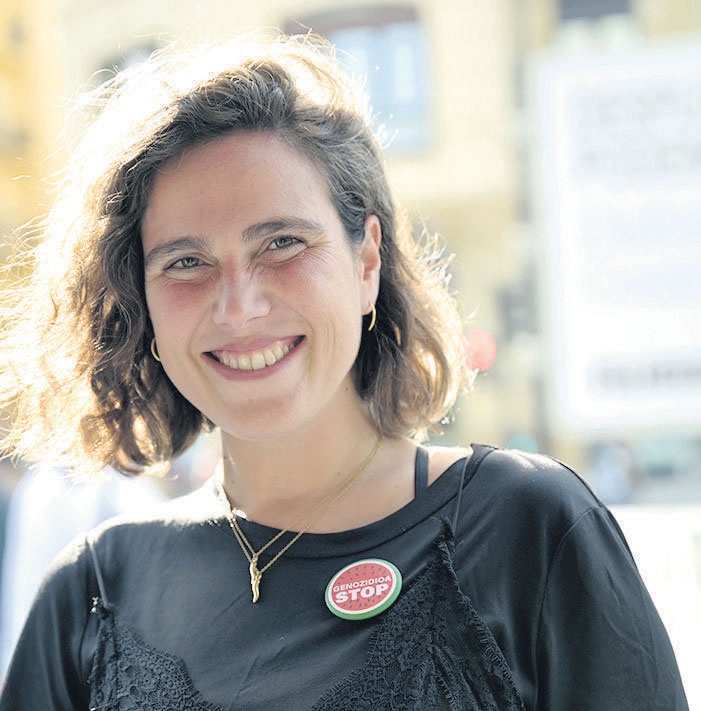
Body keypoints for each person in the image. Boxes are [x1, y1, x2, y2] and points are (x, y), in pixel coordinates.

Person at [0, 32, 688, 710]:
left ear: (366, 263)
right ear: (141, 303)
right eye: (185, 262)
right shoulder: (91, 594)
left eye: (281, 243)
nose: (238, 306)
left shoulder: (525, 525)